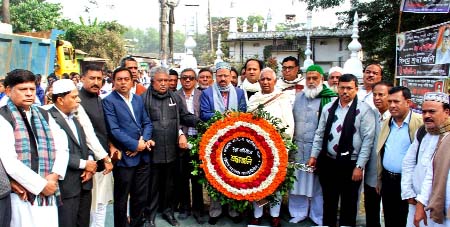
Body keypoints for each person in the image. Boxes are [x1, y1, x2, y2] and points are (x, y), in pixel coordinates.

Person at [0, 69, 69, 227]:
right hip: (22, 194)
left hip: (48, 191)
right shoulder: (4, 117)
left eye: (32, 89)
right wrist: (40, 185)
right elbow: (10, 162)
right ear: (9, 91)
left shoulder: (42, 114)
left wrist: (54, 175)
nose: (29, 93)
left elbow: (62, 144)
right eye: (23, 89)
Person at [307, 73, 376, 227]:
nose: (345, 92)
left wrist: (359, 166)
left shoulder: (364, 110)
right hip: (329, 162)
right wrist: (314, 156)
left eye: (349, 88)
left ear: (356, 89)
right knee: (329, 202)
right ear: (337, 88)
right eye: (342, 88)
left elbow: (367, 142)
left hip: (351, 164)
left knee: (349, 203)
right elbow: (320, 133)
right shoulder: (329, 107)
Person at [142, 66, 200, 227]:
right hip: (152, 151)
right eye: (160, 81)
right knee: (152, 186)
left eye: (166, 81)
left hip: (172, 150)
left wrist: (204, 124)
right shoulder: (143, 98)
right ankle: (150, 215)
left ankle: (168, 211)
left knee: (169, 184)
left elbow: (185, 116)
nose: (163, 84)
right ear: (152, 81)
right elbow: (141, 123)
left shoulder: (174, 97)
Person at [103, 67, 154, 227]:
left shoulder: (138, 99)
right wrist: (134, 145)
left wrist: (143, 142)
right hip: (125, 158)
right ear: (114, 81)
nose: (123, 82)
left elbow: (147, 122)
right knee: (121, 198)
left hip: (142, 157)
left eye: (126, 79)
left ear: (132, 81)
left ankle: (136, 224)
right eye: (119, 79)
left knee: (140, 197)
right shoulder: (108, 101)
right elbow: (114, 130)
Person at [289, 64, 338, 225]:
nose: (311, 81)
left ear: (322, 79)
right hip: (298, 148)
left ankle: (318, 215)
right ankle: (298, 212)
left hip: (318, 150)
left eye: (314, 78)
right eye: (308, 78)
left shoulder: (330, 98)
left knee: (318, 185)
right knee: (297, 181)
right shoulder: (298, 97)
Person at [199, 62, 247, 225]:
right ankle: (215, 211)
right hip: (214, 141)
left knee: (234, 175)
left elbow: (243, 114)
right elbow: (204, 115)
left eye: (226, 75)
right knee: (215, 176)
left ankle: (234, 210)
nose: (223, 79)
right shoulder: (207, 93)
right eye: (220, 76)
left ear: (231, 77)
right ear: (215, 77)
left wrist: (234, 116)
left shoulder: (240, 93)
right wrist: (222, 117)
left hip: (234, 140)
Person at [247, 67, 294, 227]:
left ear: (275, 80)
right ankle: (258, 213)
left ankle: (274, 214)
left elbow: (289, 126)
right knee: (257, 181)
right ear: (259, 81)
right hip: (256, 150)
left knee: (275, 183)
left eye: (269, 79)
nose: (266, 82)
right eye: (263, 79)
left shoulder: (282, 99)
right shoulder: (254, 99)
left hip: (277, 149)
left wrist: (282, 149)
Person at [47, 79, 96, 227]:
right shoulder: (48, 118)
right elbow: (55, 151)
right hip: (67, 186)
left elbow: (84, 144)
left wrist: (90, 160)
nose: (78, 100)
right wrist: (84, 164)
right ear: (60, 100)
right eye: (74, 97)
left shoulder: (74, 117)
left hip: (84, 182)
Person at [376, 86, 423, 227]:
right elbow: (381, 151)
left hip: (408, 183)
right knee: (390, 218)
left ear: (408, 102)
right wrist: (379, 179)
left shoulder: (419, 124)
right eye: (389, 102)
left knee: (406, 219)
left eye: (396, 101)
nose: (392, 105)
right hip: (388, 180)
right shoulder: (387, 122)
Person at [402, 92, 450, 227]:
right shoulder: (423, 131)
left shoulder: (448, 137)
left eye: (432, 111)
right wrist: (408, 191)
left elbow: (433, 172)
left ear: (446, 112)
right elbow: (408, 162)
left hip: (440, 205)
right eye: (424, 112)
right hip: (416, 200)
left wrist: (422, 201)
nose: (427, 115)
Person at [78, 64, 114, 227]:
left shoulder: (99, 98)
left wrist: (111, 146)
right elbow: (86, 135)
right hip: (88, 163)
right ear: (82, 78)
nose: (96, 82)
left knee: (101, 203)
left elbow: (102, 129)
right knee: (89, 206)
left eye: (99, 79)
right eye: (92, 78)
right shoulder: (77, 101)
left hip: (104, 161)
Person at [174, 68, 205, 224]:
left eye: (191, 78)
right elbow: (174, 119)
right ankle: (185, 207)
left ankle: (198, 209)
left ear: (196, 80)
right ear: (180, 80)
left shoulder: (202, 95)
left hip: (199, 141)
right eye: (184, 78)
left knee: (197, 178)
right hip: (181, 140)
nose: (187, 80)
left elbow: (204, 116)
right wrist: (180, 134)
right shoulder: (174, 96)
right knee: (183, 177)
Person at [364, 81, 393, 227]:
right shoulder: (370, 114)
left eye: (381, 95)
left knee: (390, 211)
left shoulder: (395, 118)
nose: (377, 98)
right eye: (374, 94)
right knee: (371, 208)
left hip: (389, 173)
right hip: (371, 171)